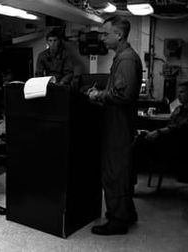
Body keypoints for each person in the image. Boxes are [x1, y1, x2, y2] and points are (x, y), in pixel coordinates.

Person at [87, 16, 142, 235]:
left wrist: (98, 95)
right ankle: (127, 212)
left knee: (115, 171)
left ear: (118, 35)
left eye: (105, 33)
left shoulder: (127, 59)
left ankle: (118, 221)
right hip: (118, 123)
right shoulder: (122, 56)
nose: (102, 38)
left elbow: (124, 95)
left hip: (119, 125)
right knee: (121, 170)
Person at [135, 81, 188, 180]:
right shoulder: (179, 109)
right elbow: (171, 125)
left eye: (182, 92)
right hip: (168, 140)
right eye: (178, 92)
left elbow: (179, 128)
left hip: (178, 146)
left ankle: (129, 179)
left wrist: (158, 132)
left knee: (139, 144)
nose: (179, 95)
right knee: (139, 138)